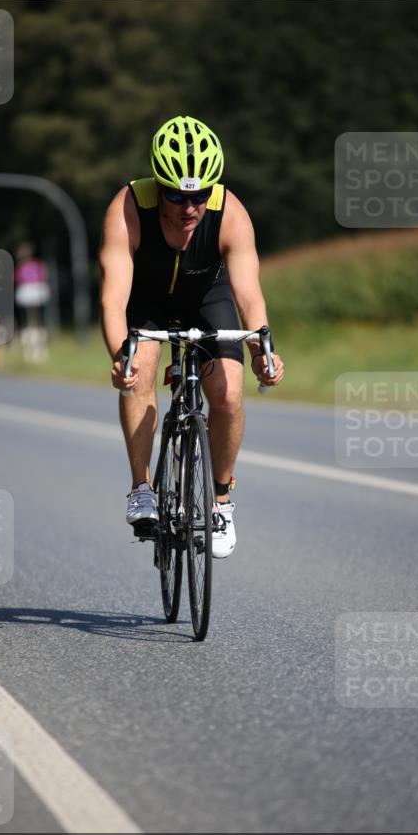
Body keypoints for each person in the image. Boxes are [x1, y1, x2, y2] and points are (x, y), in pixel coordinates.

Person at [99, 115, 284, 558]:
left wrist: (262, 351)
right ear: (158, 185)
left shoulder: (230, 213)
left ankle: (220, 501)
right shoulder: (127, 209)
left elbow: (249, 296)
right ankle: (142, 488)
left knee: (229, 393)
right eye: (177, 196)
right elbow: (113, 299)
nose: (189, 208)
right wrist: (121, 357)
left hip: (206, 297)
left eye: (199, 195)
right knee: (139, 367)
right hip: (146, 299)